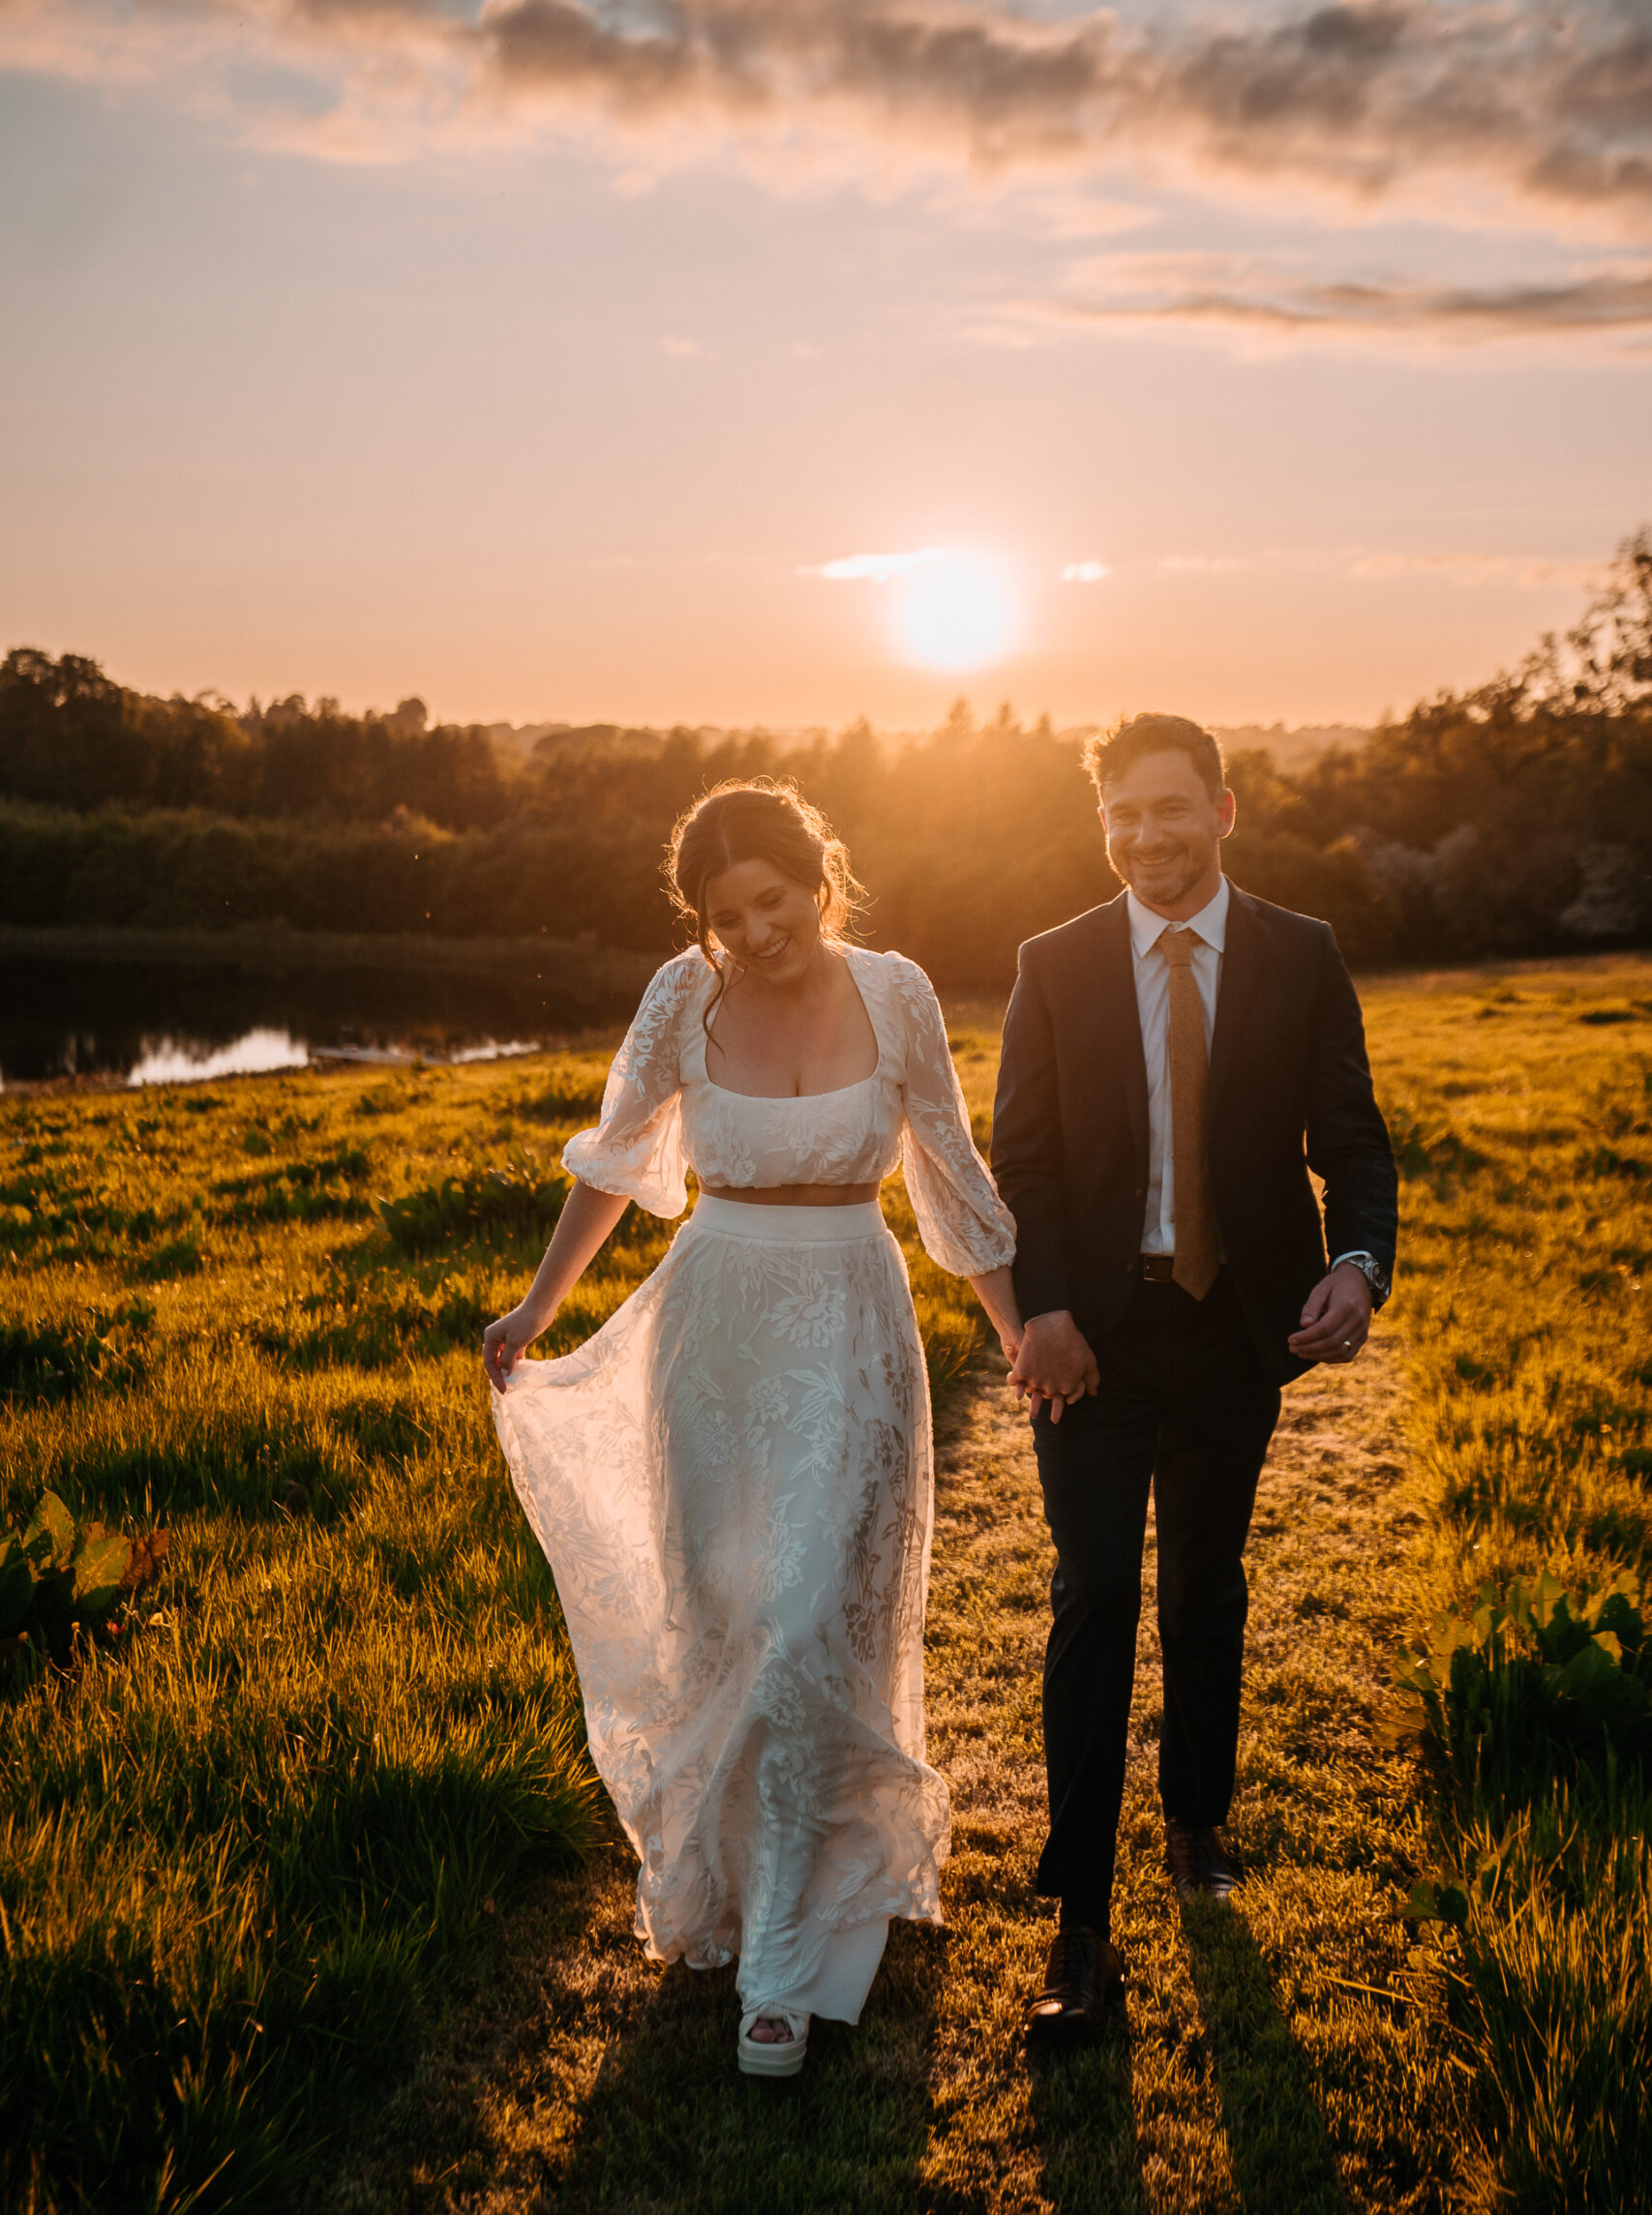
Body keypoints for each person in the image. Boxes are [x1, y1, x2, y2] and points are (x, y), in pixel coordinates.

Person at [485, 779, 1019, 2078]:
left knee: (802, 1620)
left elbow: (949, 1166)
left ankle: (783, 1965)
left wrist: (1019, 1326)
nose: (755, 932)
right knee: (719, 1617)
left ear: (817, 875)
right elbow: (616, 1163)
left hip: (850, 1324)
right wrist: (538, 1303)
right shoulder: (683, 995)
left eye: (772, 901)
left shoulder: (897, 993)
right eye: (727, 917)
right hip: (710, 1334)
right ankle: (730, 1890)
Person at [992, 712, 1397, 2045]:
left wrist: (1356, 1263)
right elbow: (1028, 1159)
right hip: (1093, 1336)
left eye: (1171, 809)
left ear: (1222, 810)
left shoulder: (1299, 952)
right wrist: (1042, 1309)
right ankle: (1082, 1922)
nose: (1145, 836)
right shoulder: (1054, 964)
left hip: (1239, 1332)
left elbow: (1350, 1134)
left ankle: (1196, 1820)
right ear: (1102, 819)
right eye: (1122, 813)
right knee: (1097, 1589)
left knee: (1206, 1585)